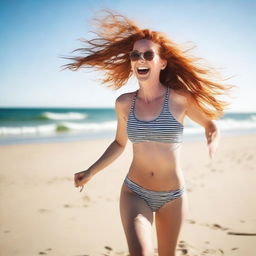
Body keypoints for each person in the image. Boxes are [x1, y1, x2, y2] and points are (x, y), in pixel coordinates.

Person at [63, 10, 232, 256]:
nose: (140, 59)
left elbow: (210, 124)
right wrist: (91, 171)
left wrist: (212, 135)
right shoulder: (124, 103)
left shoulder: (180, 99)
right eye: (135, 55)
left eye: (148, 54)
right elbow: (119, 144)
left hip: (173, 196)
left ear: (162, 62)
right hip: (135, 192)